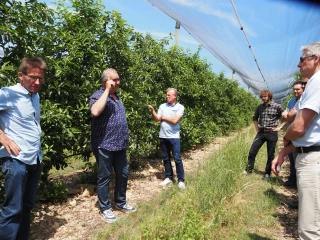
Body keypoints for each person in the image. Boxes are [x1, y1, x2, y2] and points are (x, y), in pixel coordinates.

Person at [271, 42, 320, 239]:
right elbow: (311, 135)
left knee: (309, 229)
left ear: (316, 59)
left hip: (312, 161)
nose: (298, 65)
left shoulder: (317, 83)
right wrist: (283, 152)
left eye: (302, 60)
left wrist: (285, 135)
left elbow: (299, 128)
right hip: (309, 154)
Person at [0, 57, 47, 240]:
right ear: (21, 75)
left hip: (34, 158)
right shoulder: (8, 93)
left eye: (40, 79)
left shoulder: (35, 95)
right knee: (13, 210)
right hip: (16, 161)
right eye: (33, 77)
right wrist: (3, 137)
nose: (37, 82)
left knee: (26, 206)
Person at [89, 68, 136, 223]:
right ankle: (105, 208)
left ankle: (120, 203)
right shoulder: (98, 96)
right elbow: (95, 111)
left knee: (123, 174)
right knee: (105, 177)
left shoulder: (117, 97)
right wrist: (107, 91)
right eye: (114, 80)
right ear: (105, 81)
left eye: (118, 79)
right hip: (104, 145)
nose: (117, 82)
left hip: (120, 145)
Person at [147, 88, 186, 189]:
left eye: (169, 95)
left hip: (174, 137)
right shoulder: (162, 106)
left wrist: (162, 117)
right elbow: (156, 119)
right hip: (163, 136)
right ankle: (169, 177)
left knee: (177, 158)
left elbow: (174, 121)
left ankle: (181, 180)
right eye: (166, 95)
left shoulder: (180, 107)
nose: (167, 96)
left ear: (175, 96)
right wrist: (153, 111)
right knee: (166, 158)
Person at [244, 90, 284, 181]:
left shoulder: (277, 106)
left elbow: (286, 117)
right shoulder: (260, 107)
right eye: (262, 97)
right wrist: (256, 127)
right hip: (261, 133)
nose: (263, 98)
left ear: (269, 96)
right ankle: (249, 170)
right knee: (252, 152)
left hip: (272, 133)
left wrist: (280, 127)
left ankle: (267, 174)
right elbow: (255, 117)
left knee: (270, 154)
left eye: (265, 96)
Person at [278, 81, 306, 188]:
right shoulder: (291, 101)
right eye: (294, 89)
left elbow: (294, 116)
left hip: (300, 134)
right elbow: (287, 116)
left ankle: (296, 183)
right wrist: (282, 124)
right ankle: (292, 180)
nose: (295, 91)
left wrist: (290, 115)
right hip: (291, 132)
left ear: (303, 90)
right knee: (291, 158)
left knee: (298, 159)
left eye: (298, 89)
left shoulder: (305, 102)